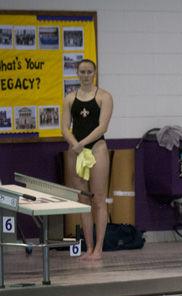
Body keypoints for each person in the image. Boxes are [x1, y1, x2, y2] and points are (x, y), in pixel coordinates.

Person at [61, 59, 114, 261]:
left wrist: (82, 143)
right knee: (83, 200)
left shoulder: (104, 97)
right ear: (77, 73)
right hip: (76, 150)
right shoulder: (69, 99)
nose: (85, 75)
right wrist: (75, 144)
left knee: (98, 199)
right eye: (82, 71)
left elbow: (102, 127)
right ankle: (89, 247)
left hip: (96, 148)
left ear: (95, 73)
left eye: (89, 71)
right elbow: (65, 126)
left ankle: (99, 249)